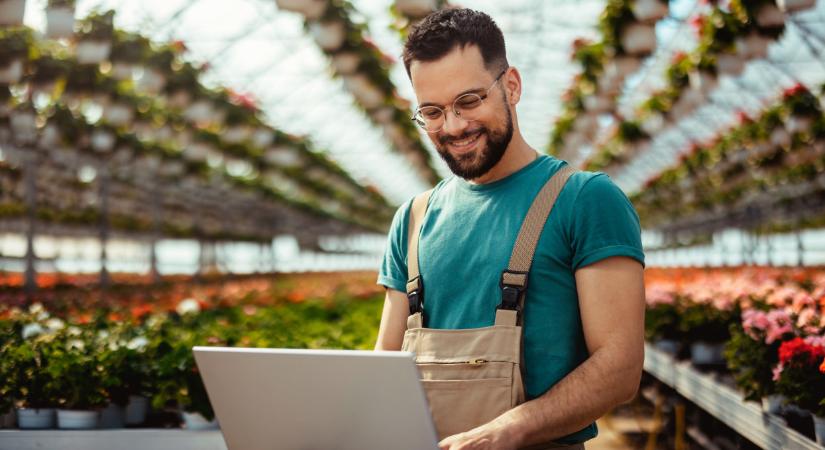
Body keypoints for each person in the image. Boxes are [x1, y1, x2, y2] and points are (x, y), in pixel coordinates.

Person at [375, 8, 646, 450]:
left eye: (469, 101)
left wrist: (510, 429)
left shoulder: (584, 199)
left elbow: (620, 368)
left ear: (511, 86)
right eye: (432, 112)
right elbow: (385, 366)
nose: (454, 126)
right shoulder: (413, 218)